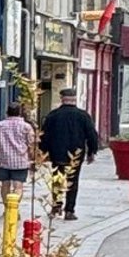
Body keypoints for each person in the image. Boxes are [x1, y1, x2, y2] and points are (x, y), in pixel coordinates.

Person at [39, 88, 101, 220]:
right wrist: (92, 151)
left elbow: (44, 136)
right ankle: (69, 210)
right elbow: (92, 135)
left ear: (62, 99)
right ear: (75, 99)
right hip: (76, 154)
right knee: (72, 181)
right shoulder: (83, 115)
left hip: (57, 153)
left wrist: (43, 152)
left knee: (57, 179)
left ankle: (56, 207)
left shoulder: (53, 115)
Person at [0, 105, 37, 203]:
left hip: (3, 161)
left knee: (5, 185)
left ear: (7, 113)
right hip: (21, 162)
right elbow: (31, 145)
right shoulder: (26, 127)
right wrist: (32, 159)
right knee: (18, 186)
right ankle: (14, 208)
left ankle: (6, 208)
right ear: (20, 113)